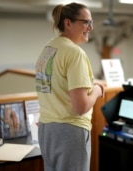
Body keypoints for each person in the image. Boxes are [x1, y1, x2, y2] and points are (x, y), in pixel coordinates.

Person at [35, 2, 104, 171]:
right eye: (86, 22)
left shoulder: (49, 48)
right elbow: (80, 107)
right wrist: (96, 90)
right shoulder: (74, 53)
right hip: (69, 131)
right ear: (68, 23)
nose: (90, 27)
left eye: (91, 22)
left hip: (46, 129)